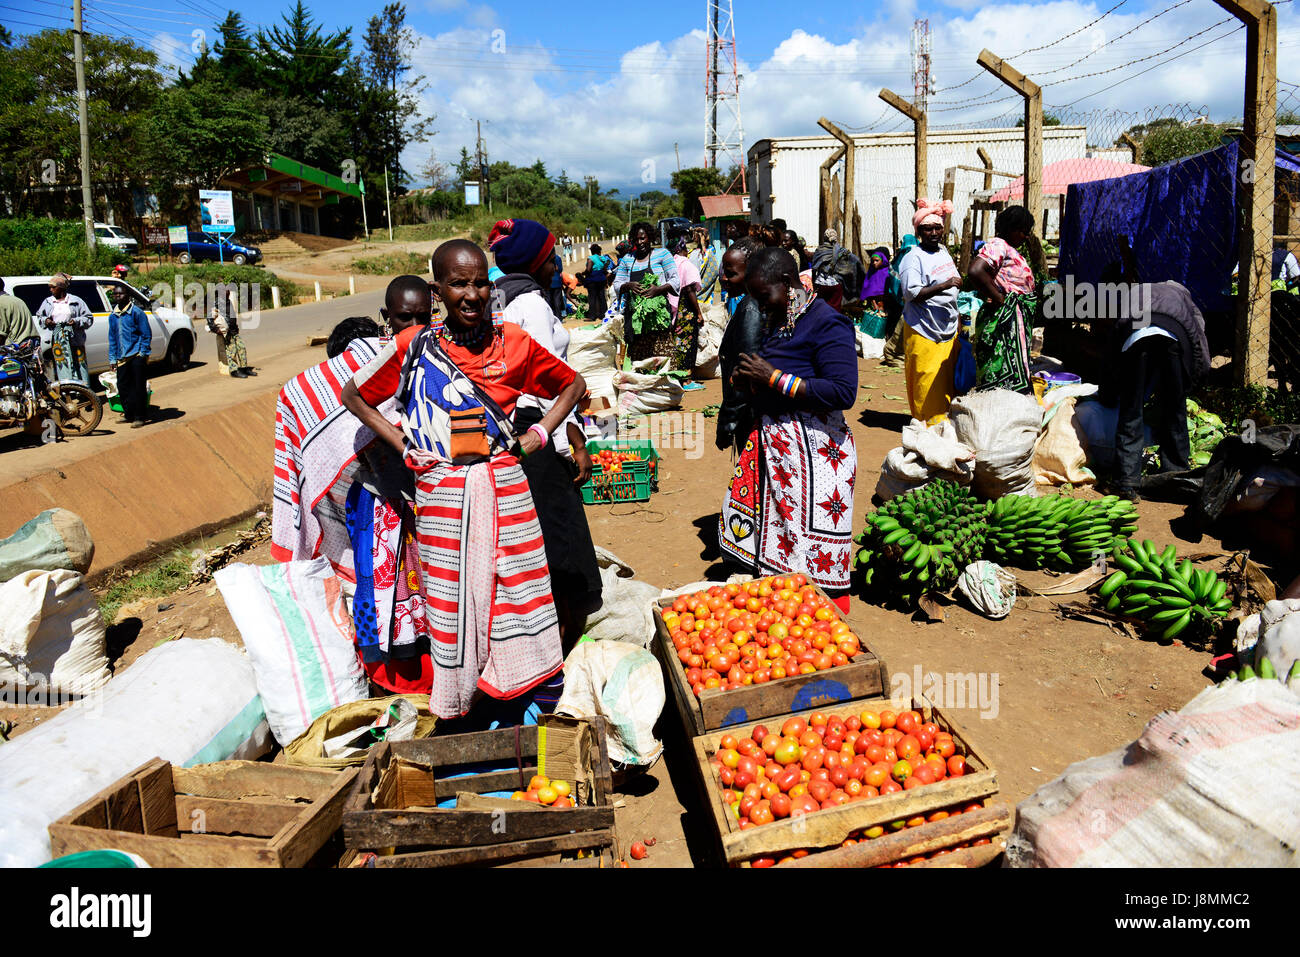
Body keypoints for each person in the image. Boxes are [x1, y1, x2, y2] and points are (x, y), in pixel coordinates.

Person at [341, 241, 587, 719]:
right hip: (441, 501)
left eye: (479, 283)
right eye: (458, 283)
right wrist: (406, 446)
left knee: (521, 594)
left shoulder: (512, 341)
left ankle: (532, 704)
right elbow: (356, 397)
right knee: (452, 608)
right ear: (438, 291)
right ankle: (469, 707)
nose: (471, 295)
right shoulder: (414, 347)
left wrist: (539, 434)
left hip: (507, 493)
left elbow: (572, 384)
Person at [718, 247, 858, 610]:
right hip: (777, 450)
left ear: (787, 282)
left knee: (816, 556)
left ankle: (828, 623)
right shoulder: (777, 320)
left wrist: (774, 377)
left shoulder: (827, 322)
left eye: (764, 296)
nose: (760, 305)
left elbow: (843, 391)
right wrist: (750, 380)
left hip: (816, 455)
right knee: (776, 544)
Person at [487, 221, 602, 650]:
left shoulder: (496, 298)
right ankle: (559, 656)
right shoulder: (531, 304)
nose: (556, 264)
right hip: (537, 436)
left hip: (506, 435)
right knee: (562, 549)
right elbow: (546, 381)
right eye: (551, 256)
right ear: (537, 260)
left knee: (527, 546)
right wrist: (572, 443)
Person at [1105, 281, 1210, 501]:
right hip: (1173, 340)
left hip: (1135, 340)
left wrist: (1112, 386)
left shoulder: (1135, 292)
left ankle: (1126, 483)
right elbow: (1198, 335)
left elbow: (1117, 333)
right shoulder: (1183, 296)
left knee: (1131, 411)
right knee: (1175, 410)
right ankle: (1177, 477)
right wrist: (1191, 379)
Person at [899, 199, 962, 424]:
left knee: (946, 381)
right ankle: (927, 426)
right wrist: (945, 285)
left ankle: (944, 424)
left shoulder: (943, 251)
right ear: (919, 232)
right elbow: (911, 293)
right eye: (927, 229)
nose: (933, 233)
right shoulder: (913, 258)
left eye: (937, 228)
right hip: (924, 329)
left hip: (947, 327)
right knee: (926, 380)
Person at [967, 204, 1039, 394]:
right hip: (1004, 323)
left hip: (1013, 322)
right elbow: (976, 270)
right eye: (1023, 231)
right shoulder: (999, 245)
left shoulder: (1008, 249)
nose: (1026, 236)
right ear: (1011, 228)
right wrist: (999, 297)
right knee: (999, 374)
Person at [715, 237, 765, 452]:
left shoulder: (750, 308)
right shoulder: (753, 301)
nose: (723, 278)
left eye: (731, 273)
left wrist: (728, 422)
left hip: (750, 415)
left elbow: (746, 370)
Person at [611, 221, 680, 361]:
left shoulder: (662, 254)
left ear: (650, 237)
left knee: (662, 358)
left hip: (658, 317)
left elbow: (675, 280)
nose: (640, 242)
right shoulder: (627, 259)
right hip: (635, 317)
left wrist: (658, 289)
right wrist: (628, 285)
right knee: (639, 359)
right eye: (636, 239)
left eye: (643, 238)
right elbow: (617, 284)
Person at [34, 274, 93, 385]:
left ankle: (84, 391)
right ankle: (68, 389)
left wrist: (75, 321)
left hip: (75, 338)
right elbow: (39, 316)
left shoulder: (76, 301)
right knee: (62, 364)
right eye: (50, 287)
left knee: (79, 364)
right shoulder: (48, 302)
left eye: (53, 287)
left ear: (61, 288)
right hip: (58, 340)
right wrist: (46, 320)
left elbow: (88, 318)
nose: (51, 290)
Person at [107, 283, 152, 427]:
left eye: (121, 294)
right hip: (121, 357)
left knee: (138, 387)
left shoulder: (137, 313)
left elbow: (146, 334)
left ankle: (140, 416)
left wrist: (142, 353)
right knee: (122, 386)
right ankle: (128, 414)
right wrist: (112, 358)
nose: (118, 296)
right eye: (115, 294)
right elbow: (112, 338)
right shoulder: (113, 316)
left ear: (128, 296)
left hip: (136, 355)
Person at [667, 231, 704, 372]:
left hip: (674, 306)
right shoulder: (686, 265)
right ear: (682, 249)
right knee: (688, 341)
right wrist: (699, 313)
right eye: (686, 248)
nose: (688, 251)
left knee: (677, 340)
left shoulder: (672, 263)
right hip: (686, 308)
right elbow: (689, 290)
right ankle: (686, 376)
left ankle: (678, 372)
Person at [208, 288, 251, 378]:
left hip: (234, 330)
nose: (227, 293)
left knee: (241, 348)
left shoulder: (228, 301)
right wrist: (216, 329)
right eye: (225, 292)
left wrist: (236, 327)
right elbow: (209, 317)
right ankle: (234, 371)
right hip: (227, 332)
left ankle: (244, 368)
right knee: (232, 351)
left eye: (228, 292)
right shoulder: (217, 303)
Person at [0, 278, 39, 350]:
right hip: (32, 343)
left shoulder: (1, 302)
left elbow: (1, 334)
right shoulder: (16, 299)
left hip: (17, 347)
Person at [579, 243, 611, 320]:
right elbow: (606, 265)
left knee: (592, 297)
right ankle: (603, 314)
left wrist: (582, 273)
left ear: (592, 251)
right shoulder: (602, 258)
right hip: (602, 279)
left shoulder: (591, 258)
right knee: (601, 297)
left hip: (593, 280)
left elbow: (588, 270)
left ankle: (592, 316)